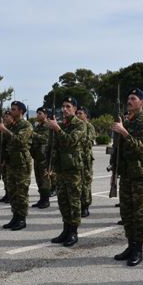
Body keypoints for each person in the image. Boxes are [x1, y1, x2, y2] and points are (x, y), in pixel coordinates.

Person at [111, 88, 143, 266]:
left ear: (142, 102)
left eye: (133, 98)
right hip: (126, 174)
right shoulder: (125, 120)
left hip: (140, 176)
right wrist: (114, 170)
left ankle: (139, 249)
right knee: (126, 213)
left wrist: (123, 132)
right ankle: (130, 245)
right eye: (128, 98)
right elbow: (117, 149)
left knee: (138, 214)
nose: (129, 101)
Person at [47, 97, 86, 246]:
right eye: (63, 106)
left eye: (68, 106)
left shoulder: (80, 125)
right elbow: (53, 146)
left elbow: (70, 141)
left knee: (74, 202)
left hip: (73, 170)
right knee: (63, 201)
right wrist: (49, 165)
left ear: (75, 109)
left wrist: (57, 128)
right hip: (61, 169)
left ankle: (73, 232)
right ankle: (65, 229)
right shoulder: (62, 124)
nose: (64, 109)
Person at [0, 100, 32, 230]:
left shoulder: (26, 125)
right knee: (12, 192)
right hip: (11, 163)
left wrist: (5, 130)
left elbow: (20, 141)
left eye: (14, 109)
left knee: (21, 192)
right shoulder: (12, 125)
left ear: (21, 111)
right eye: (11, 109)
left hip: (22, 163)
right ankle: (15, 217)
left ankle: (22, 219)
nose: (11, 111)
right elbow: (4, 144)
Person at [31, 106, 52, 209]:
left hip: (44, 157)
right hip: (37, 156)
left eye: (40, 113)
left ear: (45, 115)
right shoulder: (38, 126)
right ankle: (41, 199)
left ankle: (46, 200)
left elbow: (45, 139)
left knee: (45, 180)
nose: (38, 115)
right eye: (37, 113)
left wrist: (33, 134)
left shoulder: (48, 126)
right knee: (39, 179)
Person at [77, 106, 95, 217]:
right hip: (76, 160)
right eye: (77, 113)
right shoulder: (75, 126)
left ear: (86, 115)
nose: (78, 115)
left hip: (86, 160)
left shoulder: (89, 127)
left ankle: (85, 206)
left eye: (80, 113)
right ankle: (79, 205)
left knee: (86, 184)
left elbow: (89, 141)